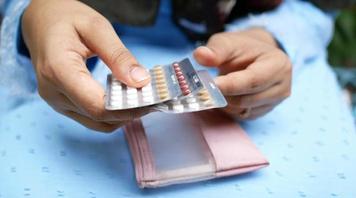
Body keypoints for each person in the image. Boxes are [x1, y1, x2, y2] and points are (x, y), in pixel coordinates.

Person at [1, 0, 292, 132]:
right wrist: (36, 12)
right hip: (50, 71)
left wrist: (267, 35)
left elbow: (311, 10)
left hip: (231, 44)